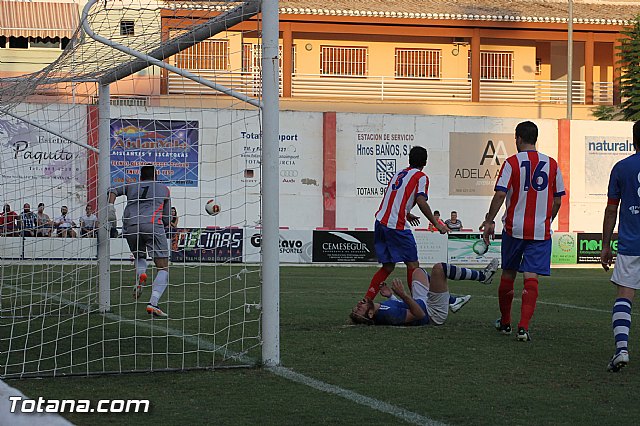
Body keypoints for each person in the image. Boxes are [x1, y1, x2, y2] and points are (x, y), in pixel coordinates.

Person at [482, 121, 565, 342]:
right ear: (535, 138)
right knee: (531, 277)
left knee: (508, 273)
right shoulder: (553, 164)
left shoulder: (511, 162)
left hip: (514, 228)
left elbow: (500, 195)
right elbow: (557, 201)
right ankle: (523, 327)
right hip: (539, 230)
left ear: (518, 138)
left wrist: (489, 220)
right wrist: (547, 219)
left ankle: (506, 322)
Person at [364, 146, 449, 302]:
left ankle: (366, 300)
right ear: (425, 161)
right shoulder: (421, 177)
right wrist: (436, 224)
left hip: (381, 221)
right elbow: (421, 201)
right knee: (413, 265)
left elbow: (394, 197)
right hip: (395, 225)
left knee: (388, 266)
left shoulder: (399, 173)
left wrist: (406, 212)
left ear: (410, 159)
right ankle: (418, 304)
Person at [351, 259, 499, 326]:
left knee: (417, 271)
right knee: (439, 269)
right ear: (370, 314)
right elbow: (419, 314)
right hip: (432, 312)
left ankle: (452, 301)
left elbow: (400, 307)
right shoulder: (386, 315)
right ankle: (483, 277)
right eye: (359, 309)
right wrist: (403, 294)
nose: (358, 304)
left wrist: (391, 295)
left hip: (422, 302)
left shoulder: (380, 309)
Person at [601, 121, 640, 372]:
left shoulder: (622, 167)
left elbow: (611, 208)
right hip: (630, 244)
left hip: (630, 245)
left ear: (633, 140)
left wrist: (605, 244)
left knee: (624, 295)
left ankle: (622, 350)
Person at [108, 164, 172, 318]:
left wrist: (110, 207)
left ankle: (141, 273)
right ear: (156, 176)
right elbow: (167, 218)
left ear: (140, 177)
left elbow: (112, 190)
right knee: (162, 267)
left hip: (130, 226)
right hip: (151, 224)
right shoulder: (164, 189)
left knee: (139, 256)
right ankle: (153, 303)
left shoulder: (131, 185)